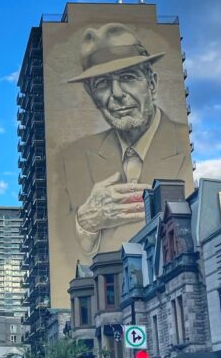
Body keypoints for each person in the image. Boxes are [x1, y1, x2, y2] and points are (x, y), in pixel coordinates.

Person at [53, 23, 191, 259]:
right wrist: (85, 223)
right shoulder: (71, 158)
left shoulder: (179, 140)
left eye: (128, 77)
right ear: (91, 95)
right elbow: (63, 250)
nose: (116, 93)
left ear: (152, 84)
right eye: (102, 84)